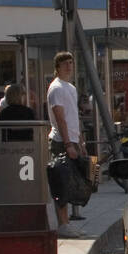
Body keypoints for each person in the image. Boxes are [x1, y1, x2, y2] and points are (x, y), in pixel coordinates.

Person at [47, 52, 83, 235]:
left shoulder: (71, 88)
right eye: (64, 63)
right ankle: (63, 223)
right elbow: (60, 118)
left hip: (73, 140)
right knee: (61, 182)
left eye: (71, 62)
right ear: (57, 67)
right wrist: (68, 143)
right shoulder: (56, 88)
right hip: (61, 141)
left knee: (71, 183)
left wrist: (80, 142)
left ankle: (67, 222)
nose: (69, 66)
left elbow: (73, 116)